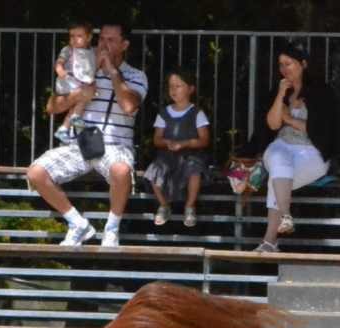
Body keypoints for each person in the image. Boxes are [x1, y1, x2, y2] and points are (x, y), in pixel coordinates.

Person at [26, 21, 148, 249]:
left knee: (121, 170)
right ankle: (77, 223)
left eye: (111, 40)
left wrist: (111, 70)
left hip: (115, 145)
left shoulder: (136, 76)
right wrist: (78, 95)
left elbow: (130, 106)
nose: (104, 45)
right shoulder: (81, 69)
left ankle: (111, 229)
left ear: (124, 45)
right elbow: (52, 107)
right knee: (36, 173)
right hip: (81, 143)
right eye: (101, 39)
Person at [238, 42, 340, 252]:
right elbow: (273, 124)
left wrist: (291, 119)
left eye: (289, 63)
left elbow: (320, 131)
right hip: (282, 146)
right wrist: (279, 96)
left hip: (313, 151)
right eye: (281, 65)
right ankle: (285, 216)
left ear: (303, 64)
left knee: (277, 178)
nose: (284, 69)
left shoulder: (321, 92)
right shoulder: (277, 92)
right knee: (277, 157)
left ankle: (270, 242)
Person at [145, 69, 212, 228]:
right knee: (154, 170)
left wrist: (185, 144)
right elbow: (157, 139)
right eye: (171, 86)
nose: (173, 90)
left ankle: (189, 206)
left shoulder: (197, 113)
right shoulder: (163, 113)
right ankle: (163, 205)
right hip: (167, 156)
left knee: (194, 170)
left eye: (178, 86)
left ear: (190, 89)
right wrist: (168, 143)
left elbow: (204, 140)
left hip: (191, 156)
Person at [52, 23, 97, 145]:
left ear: (89, 37)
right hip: (68, 82)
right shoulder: (68, 50)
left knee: (80, 102)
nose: (74, 39)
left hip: (79, 83)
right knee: (84, 98)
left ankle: (64, 128)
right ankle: (75, 121)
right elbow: (59, 63)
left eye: (79, 36)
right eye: (72, 36)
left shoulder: (92, 51)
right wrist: (60, 70)